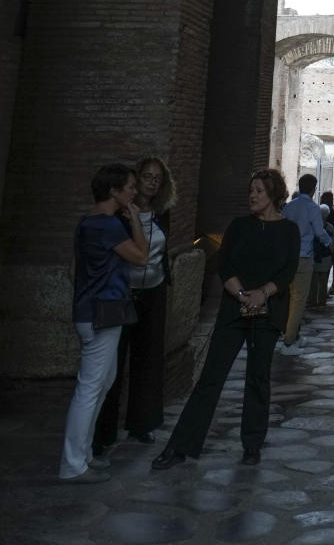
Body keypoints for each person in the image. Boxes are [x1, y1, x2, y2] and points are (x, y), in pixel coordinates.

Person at [152, 168, 299, 469]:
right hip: (235, 309)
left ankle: (252, 445)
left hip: (267, 311)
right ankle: (180, 445)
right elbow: (224, 263)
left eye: (258, 191)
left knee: (258, 379)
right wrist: (243, 294)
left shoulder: (289, 231)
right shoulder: (239, 226)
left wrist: (263, 294)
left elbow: (288, 271)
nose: (252, 196)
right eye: (251, 191)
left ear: (273, 194)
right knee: (211, 377)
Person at [59, 162, 148, 482]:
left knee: (101, 384)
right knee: (90, 388)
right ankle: (73, 465)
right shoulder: (108, 226)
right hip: (103, 312)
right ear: (113, 190)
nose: (134, 192)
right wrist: (136, 220)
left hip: (88, 310)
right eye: (129, 187)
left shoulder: (85, 223)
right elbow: (141, 256)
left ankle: (83, 455)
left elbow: (73, 271)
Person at [93, 156, 175, 455]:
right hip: (122, 293)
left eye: (158, 178)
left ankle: (141, 425)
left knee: (148, 360)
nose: (152, 182)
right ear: (136, 179)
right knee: (113, 362)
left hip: (153, 292)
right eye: (147, 176)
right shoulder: (120, 214)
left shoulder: (162, 213)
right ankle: (104, 432)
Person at [278, 173, 331, 353]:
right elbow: (319, 231)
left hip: (286, 256)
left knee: (287, 297)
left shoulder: (288, 207)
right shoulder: (312, 207)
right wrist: (329, 242)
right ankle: (289, 341)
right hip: (303, 256)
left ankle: (291, 332)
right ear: (313, 189)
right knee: (299, 300)